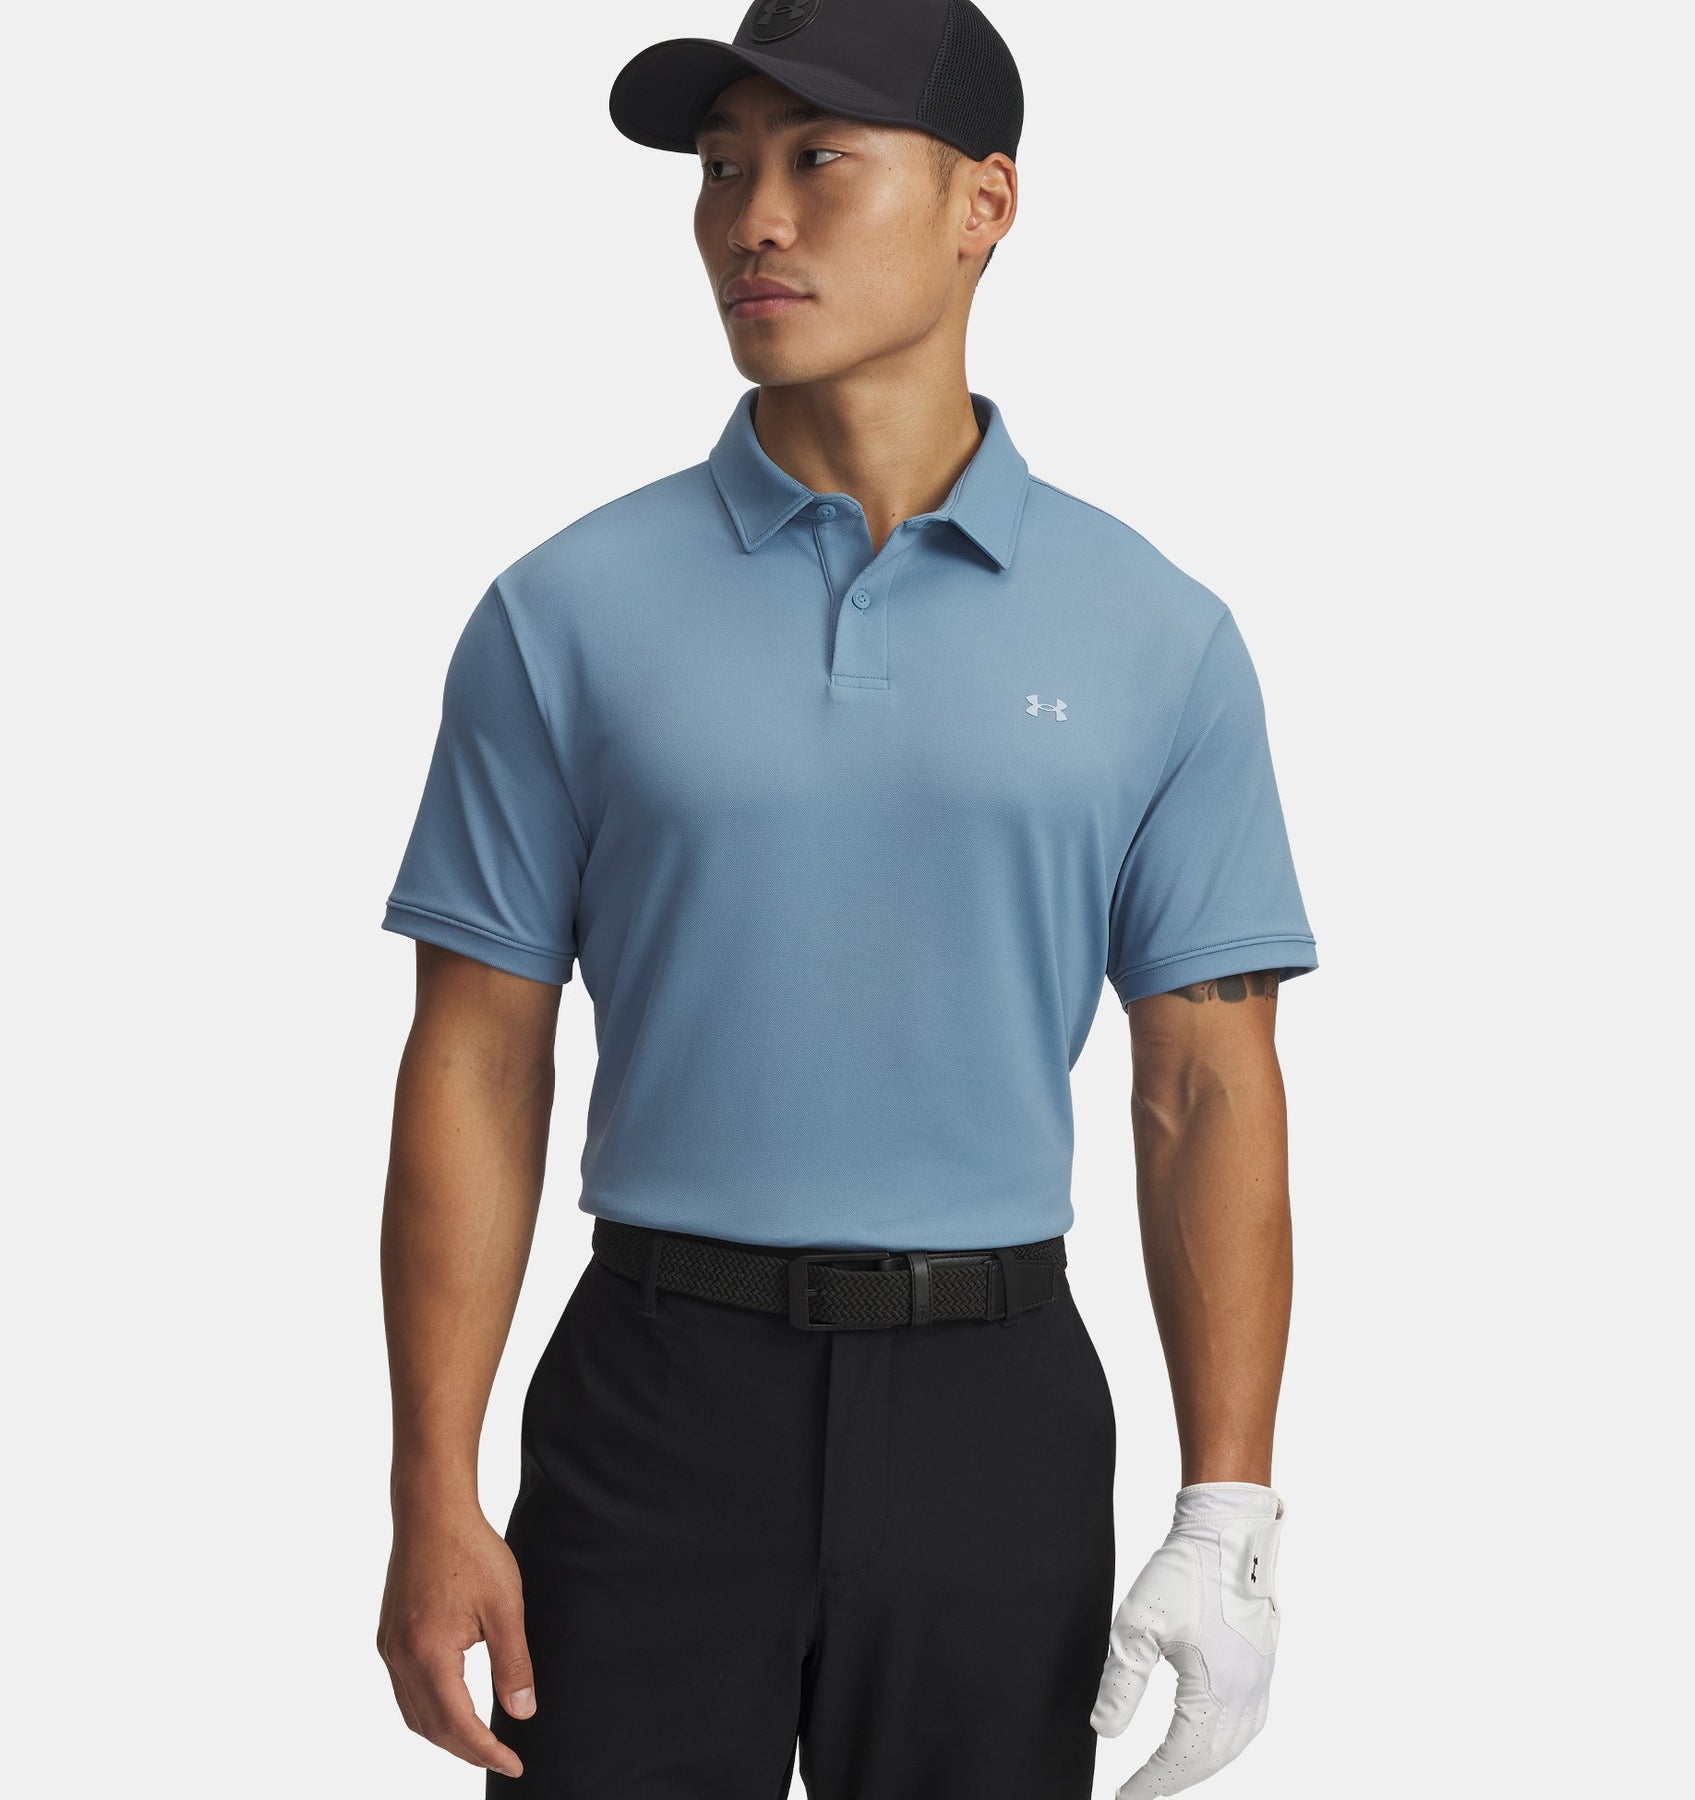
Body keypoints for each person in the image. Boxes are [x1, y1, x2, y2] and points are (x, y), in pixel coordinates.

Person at [373, 1, 1318, 1795]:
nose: (754, 218)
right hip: (651, 1403)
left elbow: (1207, 1084)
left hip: (996, 1412)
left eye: (820, 159)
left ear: (985, 204)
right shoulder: (563, 610)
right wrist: (434, 1491)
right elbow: (476, 1058)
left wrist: (1233, 1512)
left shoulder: (1156, 634)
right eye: (723, 168)